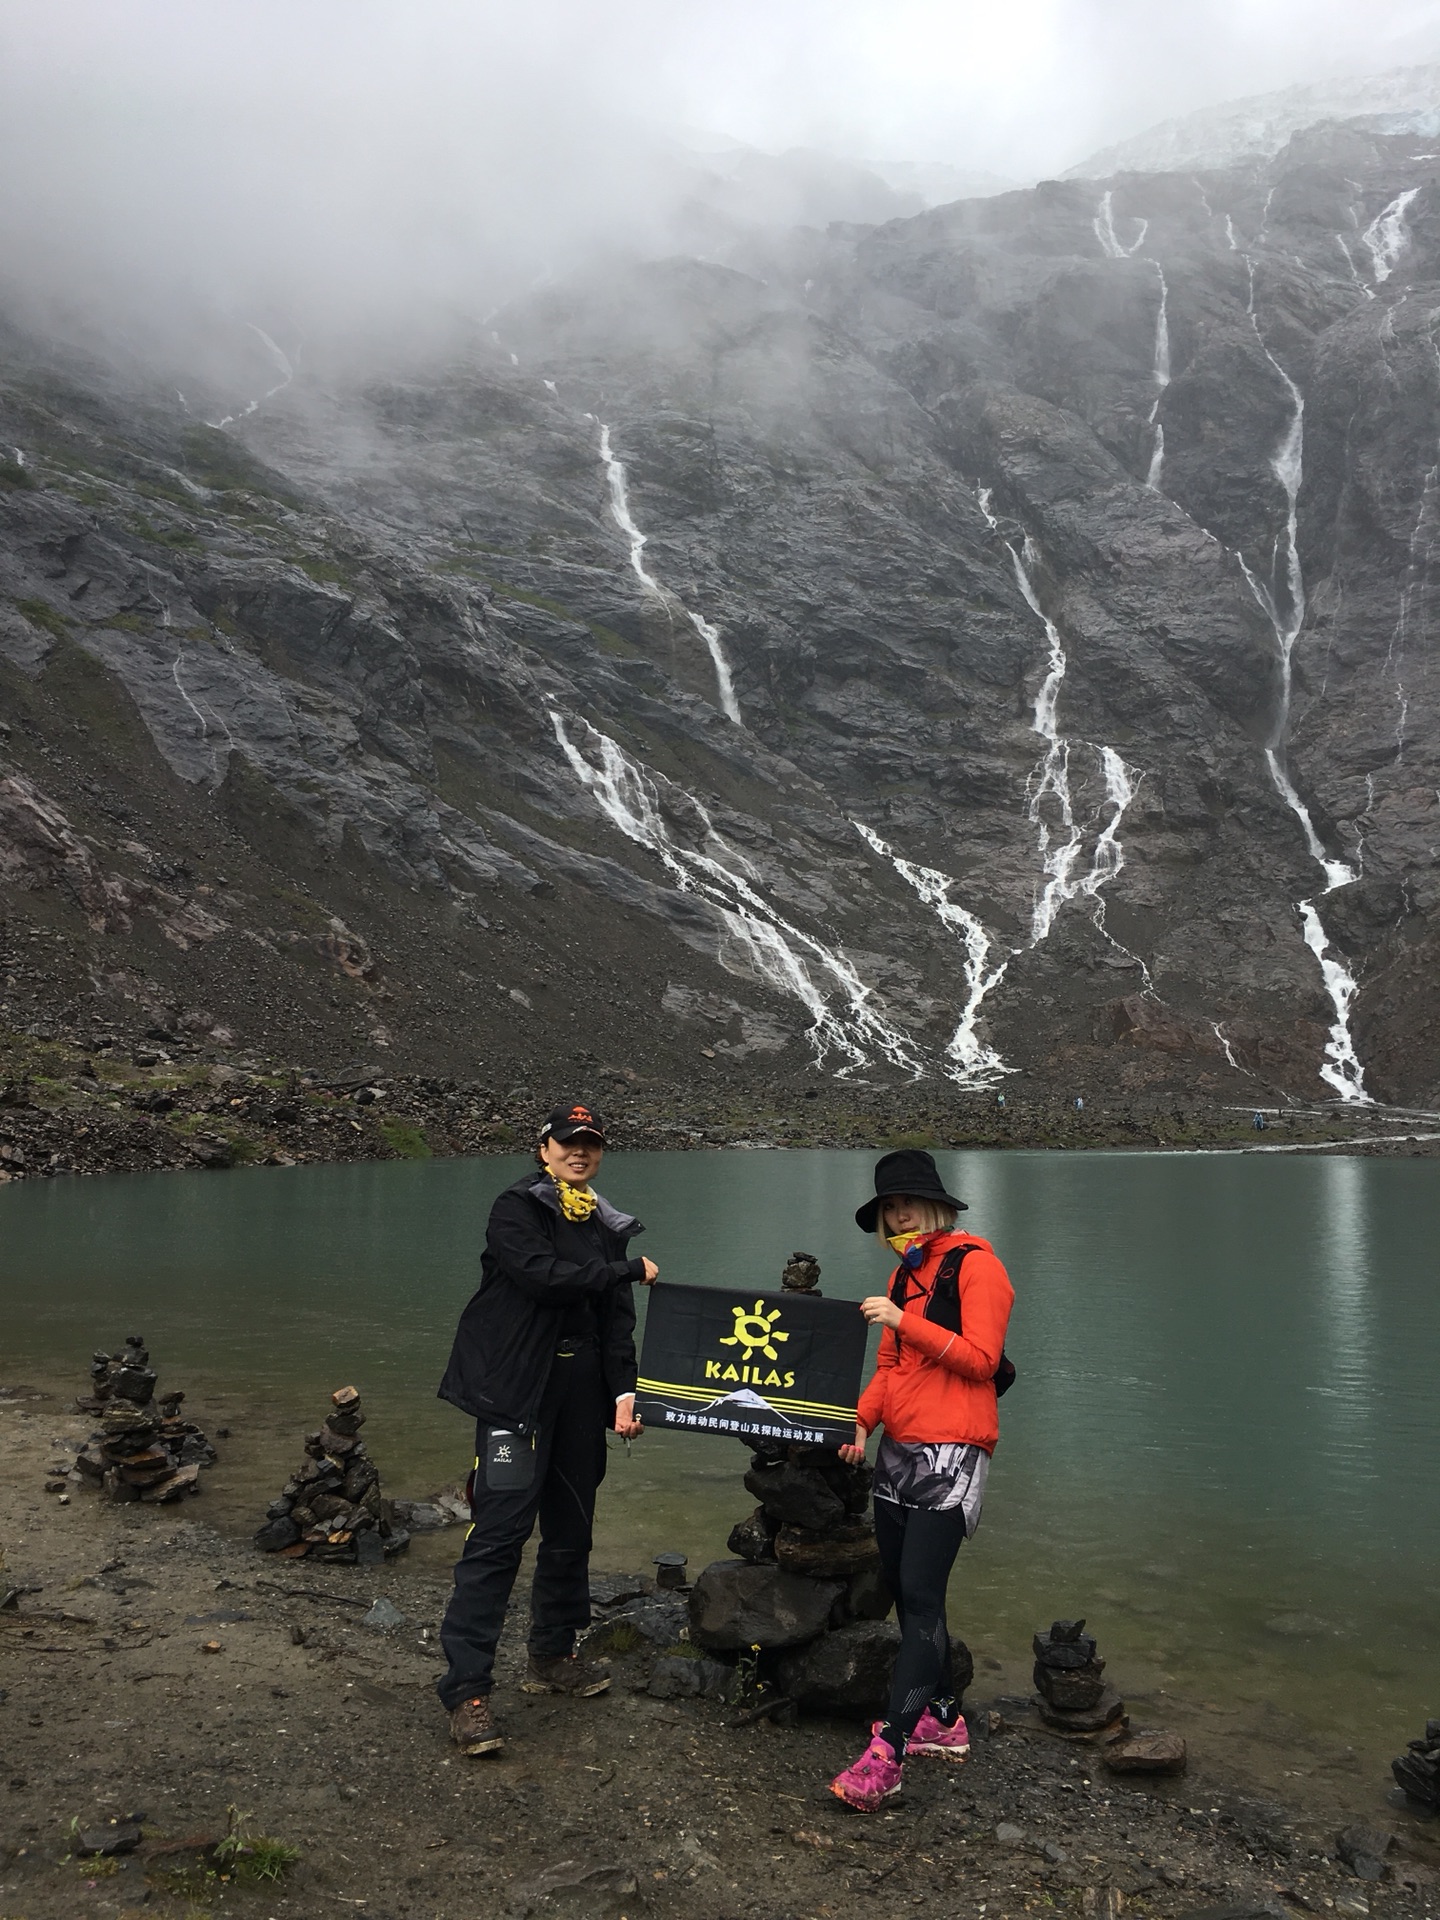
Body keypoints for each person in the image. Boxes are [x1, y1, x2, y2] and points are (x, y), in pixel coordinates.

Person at [434, 1099, 658, 1756]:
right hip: (516, 1400)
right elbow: (542, 1278)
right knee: (499, 1535)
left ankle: (553, 1655)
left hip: (583, 1397)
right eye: (567, 1143)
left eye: (590, 1143)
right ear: (544, 1150)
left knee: (571, 1530)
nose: (579, 1152)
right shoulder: (517, 1210)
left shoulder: (607, 1226)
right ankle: (467, 1689)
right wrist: (624, 1268)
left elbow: (617, 1323)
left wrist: (625, 1392)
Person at [829, 1147, 1014, 1811]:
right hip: (900, 1449)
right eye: (888, 1206)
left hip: (954, 1449)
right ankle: (944, 1717)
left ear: (937, 1204)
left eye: (907, 1201)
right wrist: (860, 1424)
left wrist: (905, 1320)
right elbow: (888, 1369)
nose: (898, 1212)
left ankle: (889, 1754)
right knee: (909, 1594)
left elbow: (982, 1360)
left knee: (921, 1590)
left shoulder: (978, 1266)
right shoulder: (903, 1274)